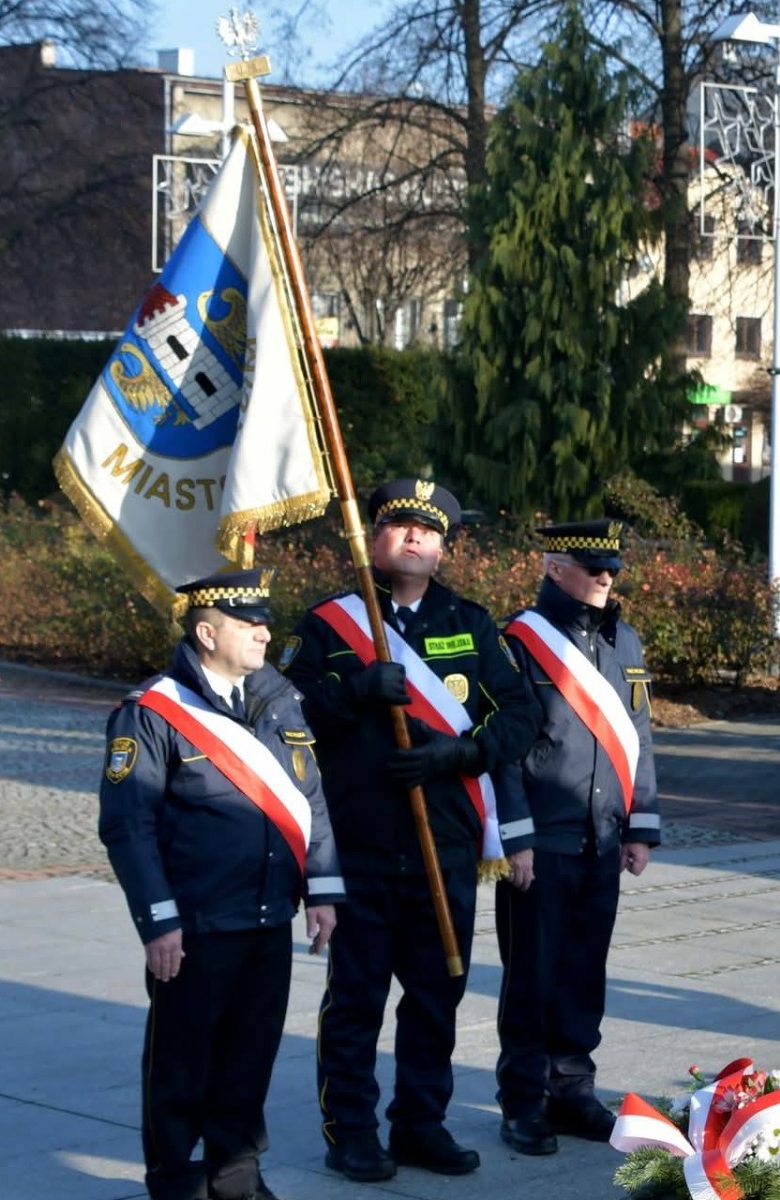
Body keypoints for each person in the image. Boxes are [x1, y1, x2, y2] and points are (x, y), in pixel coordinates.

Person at [286, 479, 540, 1183]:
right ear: (374, 539)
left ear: (445, 548)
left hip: (445, 844)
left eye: (429, 532)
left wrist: (460, 754)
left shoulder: (471, 622)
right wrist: (354, 693)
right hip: (361, 842)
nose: (415, 539)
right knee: (358, 997)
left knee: (436, 993)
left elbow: (519, 716)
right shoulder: (329, 624)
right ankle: (352, 1132)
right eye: (400, 526)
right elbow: (286, 721)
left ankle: (420, 1123)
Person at [99, 568, 346, 1200]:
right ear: (206, 632)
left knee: (249, 1057)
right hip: (196, 925)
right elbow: (129, 828)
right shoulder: (151, 712)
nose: (265, 632)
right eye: (249, 622)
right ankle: (176, 1182)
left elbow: (309, 801)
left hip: (268, 918)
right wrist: (158, 921)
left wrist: (321, 888)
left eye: (265, 620)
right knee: (181, 1064)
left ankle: (235, 1177)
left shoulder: (279, 701)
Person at [491, 520, 662, 1155]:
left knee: (585, 971)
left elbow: (639, 737)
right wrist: (514, 838)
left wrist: (640, 824)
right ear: (554, 568)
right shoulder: (518, 643)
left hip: (602, 837)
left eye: (612, 569)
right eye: (593, 568)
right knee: (531, 975)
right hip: (542, 838)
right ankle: (523, 1099)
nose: (605, 579)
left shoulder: (625, 640)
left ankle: (571, 1089)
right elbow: (504, 752)